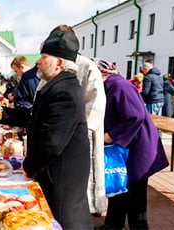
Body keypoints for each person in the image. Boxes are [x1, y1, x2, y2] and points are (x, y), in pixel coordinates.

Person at [0, 25, 92, 229]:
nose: (38, 62)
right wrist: (1, 111)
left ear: (59, 63)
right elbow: (37, 117)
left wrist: (29, 167)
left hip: (61, 177)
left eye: (43, 57)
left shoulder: (64, 91)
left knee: (65, 220)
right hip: (57, 173)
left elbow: (50, 142)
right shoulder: (58, 85)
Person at [94, 59, 169, 229]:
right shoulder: (110, 86)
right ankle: (113, 225)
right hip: (128, 146)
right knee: (120, 188)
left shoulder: (119, 86)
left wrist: (111, 135)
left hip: (137, 149)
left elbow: (135, 116)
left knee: (135, 195)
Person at [76, 54, 107, 216]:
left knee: (89, 173)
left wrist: (81, 128)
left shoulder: (87, 67)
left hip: (86, 131)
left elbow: (95, 106)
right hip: (76, 132)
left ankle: (91, 206)